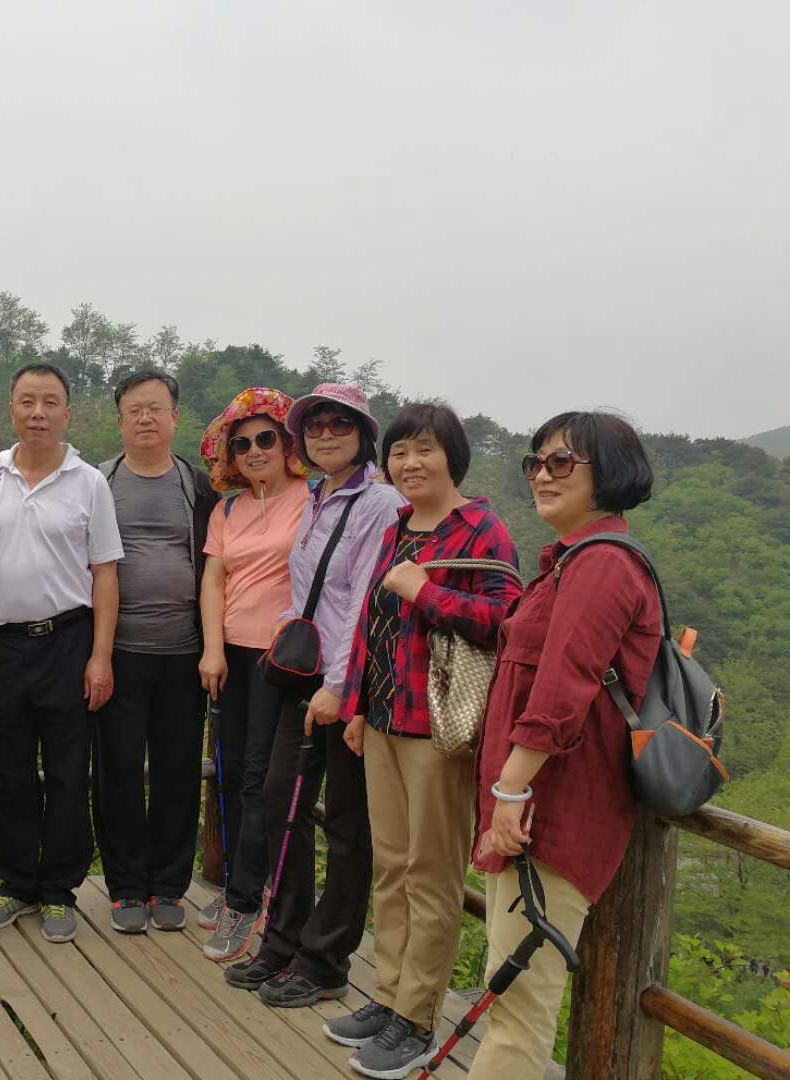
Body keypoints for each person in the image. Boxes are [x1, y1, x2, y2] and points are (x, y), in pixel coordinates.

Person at [324, 403, 521, 1079]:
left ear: (452, 457)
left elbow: (505, 621)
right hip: (383, 719)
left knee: (431, 876)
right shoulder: (399, 527)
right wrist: (356, 706)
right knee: (390, 866)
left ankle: (416, 1017)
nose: (411, 463)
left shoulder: (482, 529)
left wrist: (425, 594)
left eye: (425, 450)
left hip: (439, 731)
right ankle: (387, 995)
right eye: (401, 451)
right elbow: (368, 624)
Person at [467, 411, 658, 1079]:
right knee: (511, 991)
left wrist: (511, 790)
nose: (541, 476)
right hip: (532, 805)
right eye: (536, 462)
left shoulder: (603, 565)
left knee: (519, 1007)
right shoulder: (571, 562)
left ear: (610, 473)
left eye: (561, 463)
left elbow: (561, 691)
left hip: (553, 811)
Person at [219, 383, 404, 994]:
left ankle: (325, 962)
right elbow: (308, 592)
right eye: (315, 425)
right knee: (281, 802)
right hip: (302, 677)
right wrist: (285, 637)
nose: (325, 434)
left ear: (364, 435)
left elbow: (364, 601)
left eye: (339, 424)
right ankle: (284, 939)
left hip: (348, 685)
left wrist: (339, 687)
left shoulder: (380, 503)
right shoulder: (319, 496)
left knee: (346, 824)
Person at [0, 363, 123, 944]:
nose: (38, 412)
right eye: (28, 401)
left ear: (67, 412)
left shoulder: (90, 482)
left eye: (50, 402)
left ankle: (60, 891)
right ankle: (16, 884)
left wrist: (100, 657)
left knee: (66, 772)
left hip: (68, 642)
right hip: (2, 647)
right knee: (9, 773)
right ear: (11, 408)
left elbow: (104, 574)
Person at [92, 370, 216, 934]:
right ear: (120, 420)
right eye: (135, 410)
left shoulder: (197, 485)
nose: (145, 418)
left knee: (177, 770)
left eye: (156, 409)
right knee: (116, 769)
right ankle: (125, 887)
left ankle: (168, 885)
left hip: (184, 655)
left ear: (175, 417)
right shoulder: (99, 482)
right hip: (116, 652)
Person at [195, 387, 313, 962]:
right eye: (242, 445)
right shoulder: (227, 510)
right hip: (233, 656)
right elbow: (214, 580)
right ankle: (246, 884)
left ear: (287, 444)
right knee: (235, 770)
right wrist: (212, 650)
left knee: (260, 779)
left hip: (281, 659)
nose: (255, 451)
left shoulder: (312, 500)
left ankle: (245, 900)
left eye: (266, 438)